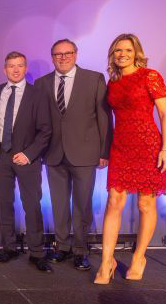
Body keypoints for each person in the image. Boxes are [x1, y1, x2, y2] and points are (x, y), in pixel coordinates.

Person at [95, 34, 166, 284]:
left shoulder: (151, 76)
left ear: (136, 52)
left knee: (145, 205)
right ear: (112, 54)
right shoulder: (113, 82)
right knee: (114, 202)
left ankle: (139, 256)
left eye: (127, 50)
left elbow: (165, 113)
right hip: (121, 146)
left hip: (148, 145)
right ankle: (107, 261)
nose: (122, 54)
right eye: (117, 50)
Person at [36, 39, 111, 271]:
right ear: (52, 57)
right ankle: (62, 247)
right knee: (58, 205)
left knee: (82, 204)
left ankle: (80, 250)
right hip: (53, 154)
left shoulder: (94, 78)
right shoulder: (41, 83)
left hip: (85, 153)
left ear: (76, 54)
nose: (63, 57)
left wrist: (104, 151)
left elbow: (104, 117)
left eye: (68, 53)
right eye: (58, 54)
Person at [0, 52, 53, 272]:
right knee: (4, 203)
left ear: (25, 68)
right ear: (4, 69)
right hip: (1, 157)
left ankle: (37, 252)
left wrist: (29, 154)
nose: (15, 70)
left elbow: (46, 130)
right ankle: (8, 247)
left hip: (27, 158)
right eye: (11, 66)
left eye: (19, 66)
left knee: (32, 204)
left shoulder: (37, 94)